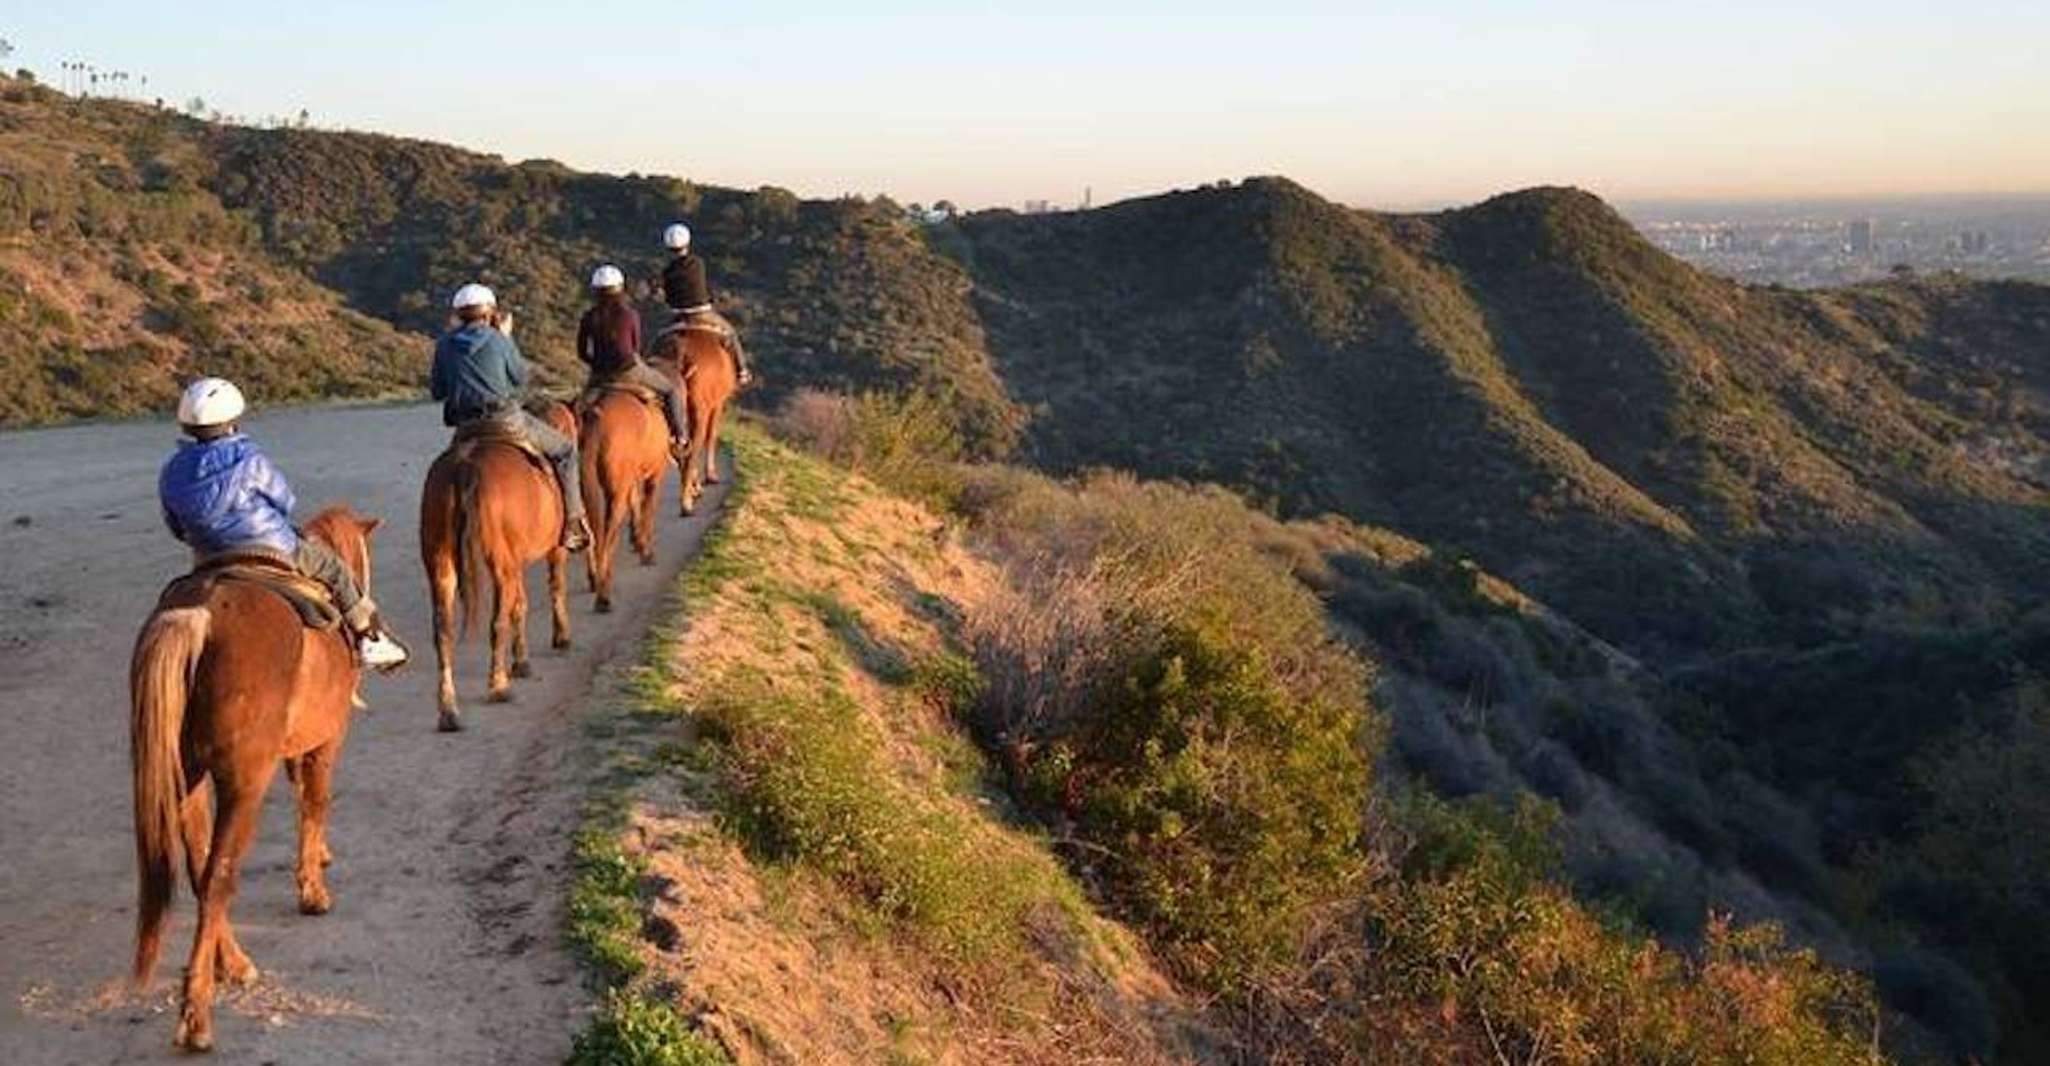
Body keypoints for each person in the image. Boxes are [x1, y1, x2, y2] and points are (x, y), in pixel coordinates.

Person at [158, 377, 409, 669]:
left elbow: (174, 523)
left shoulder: (172, 468)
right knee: (334, 570)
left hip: (207, 554)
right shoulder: (249, 458)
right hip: (270, 544)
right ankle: (369, 640)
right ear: (233, 420)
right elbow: (284, 501)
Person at [429, 283, 592, 551]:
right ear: (490, 313)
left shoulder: (444, 344)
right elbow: (519, 379)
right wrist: (506, 338)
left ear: (458, 314)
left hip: (466, 426)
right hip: (505, 420)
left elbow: (437, 392)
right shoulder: (498, 340)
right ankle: (573, 521)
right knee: (566, 451)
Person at [577, 264, 689, 460]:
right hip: (629, 370)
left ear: (595, 290)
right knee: (670, 390)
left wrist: (595, 363)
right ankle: (680, 436)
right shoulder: (629, 314)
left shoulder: (589, 317)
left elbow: (582, 351)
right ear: (620, 288)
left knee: (579, 408)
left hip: (600, 376)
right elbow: (635, 346)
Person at [659, 222, 753, 386]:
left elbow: (669, 297)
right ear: (688, 243)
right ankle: (742, 371)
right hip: (702, 313)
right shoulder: (697, 263)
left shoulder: (667, 271)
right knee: (731, 333)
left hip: (678, 315)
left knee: (658, 339)